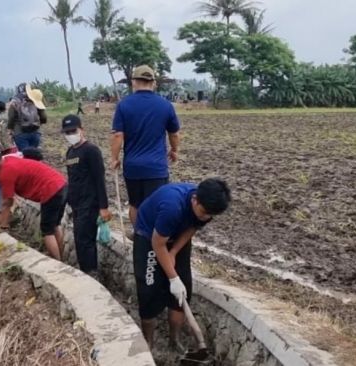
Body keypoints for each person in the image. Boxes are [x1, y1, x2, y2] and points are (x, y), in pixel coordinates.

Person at [133, 178, 230, 348]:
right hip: (149, 236)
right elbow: (158, 243)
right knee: (148, 290)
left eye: (210, 215)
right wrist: (172, 278)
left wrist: (174, 252)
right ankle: (148, 341)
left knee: (181, 293)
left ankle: (174, 340)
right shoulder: (172, 207)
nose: (206, 217)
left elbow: (193, 227)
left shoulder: (207, 208)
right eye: (204, 212)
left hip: (176, 236)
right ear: (195, 200)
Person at [110, 65, 181, 226]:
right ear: (153, 83)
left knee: (135, 204)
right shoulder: (165, 105)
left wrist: (114, 158)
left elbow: (117, 135)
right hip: (156, 168)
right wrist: (175, 150)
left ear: (134, 82)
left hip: (133, 167)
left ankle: (139, 237)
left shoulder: (124, 105)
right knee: (157, 205)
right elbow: (174, 133)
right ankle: (152, 241)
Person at [62, 114, 111, 276]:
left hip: (90, 203)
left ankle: (91, 273)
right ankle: (85, 271)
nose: (70, 135)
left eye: (73, 131)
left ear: (82, 130)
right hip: (76, 203)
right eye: (67, 132)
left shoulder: (91, 151)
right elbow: (72, 179)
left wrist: (103, 207)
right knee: (79, 239)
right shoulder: (70, 152)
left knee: (85, 240)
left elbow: (99, 179)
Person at [8, 83, 47, 151]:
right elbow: (44, 117)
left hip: (20, 133)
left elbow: (11, 117)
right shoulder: (35, 99)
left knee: (25, 156)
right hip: (35, 132)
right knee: (34, 155)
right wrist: (39, 123)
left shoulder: (14, 102)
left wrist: (10, 128)